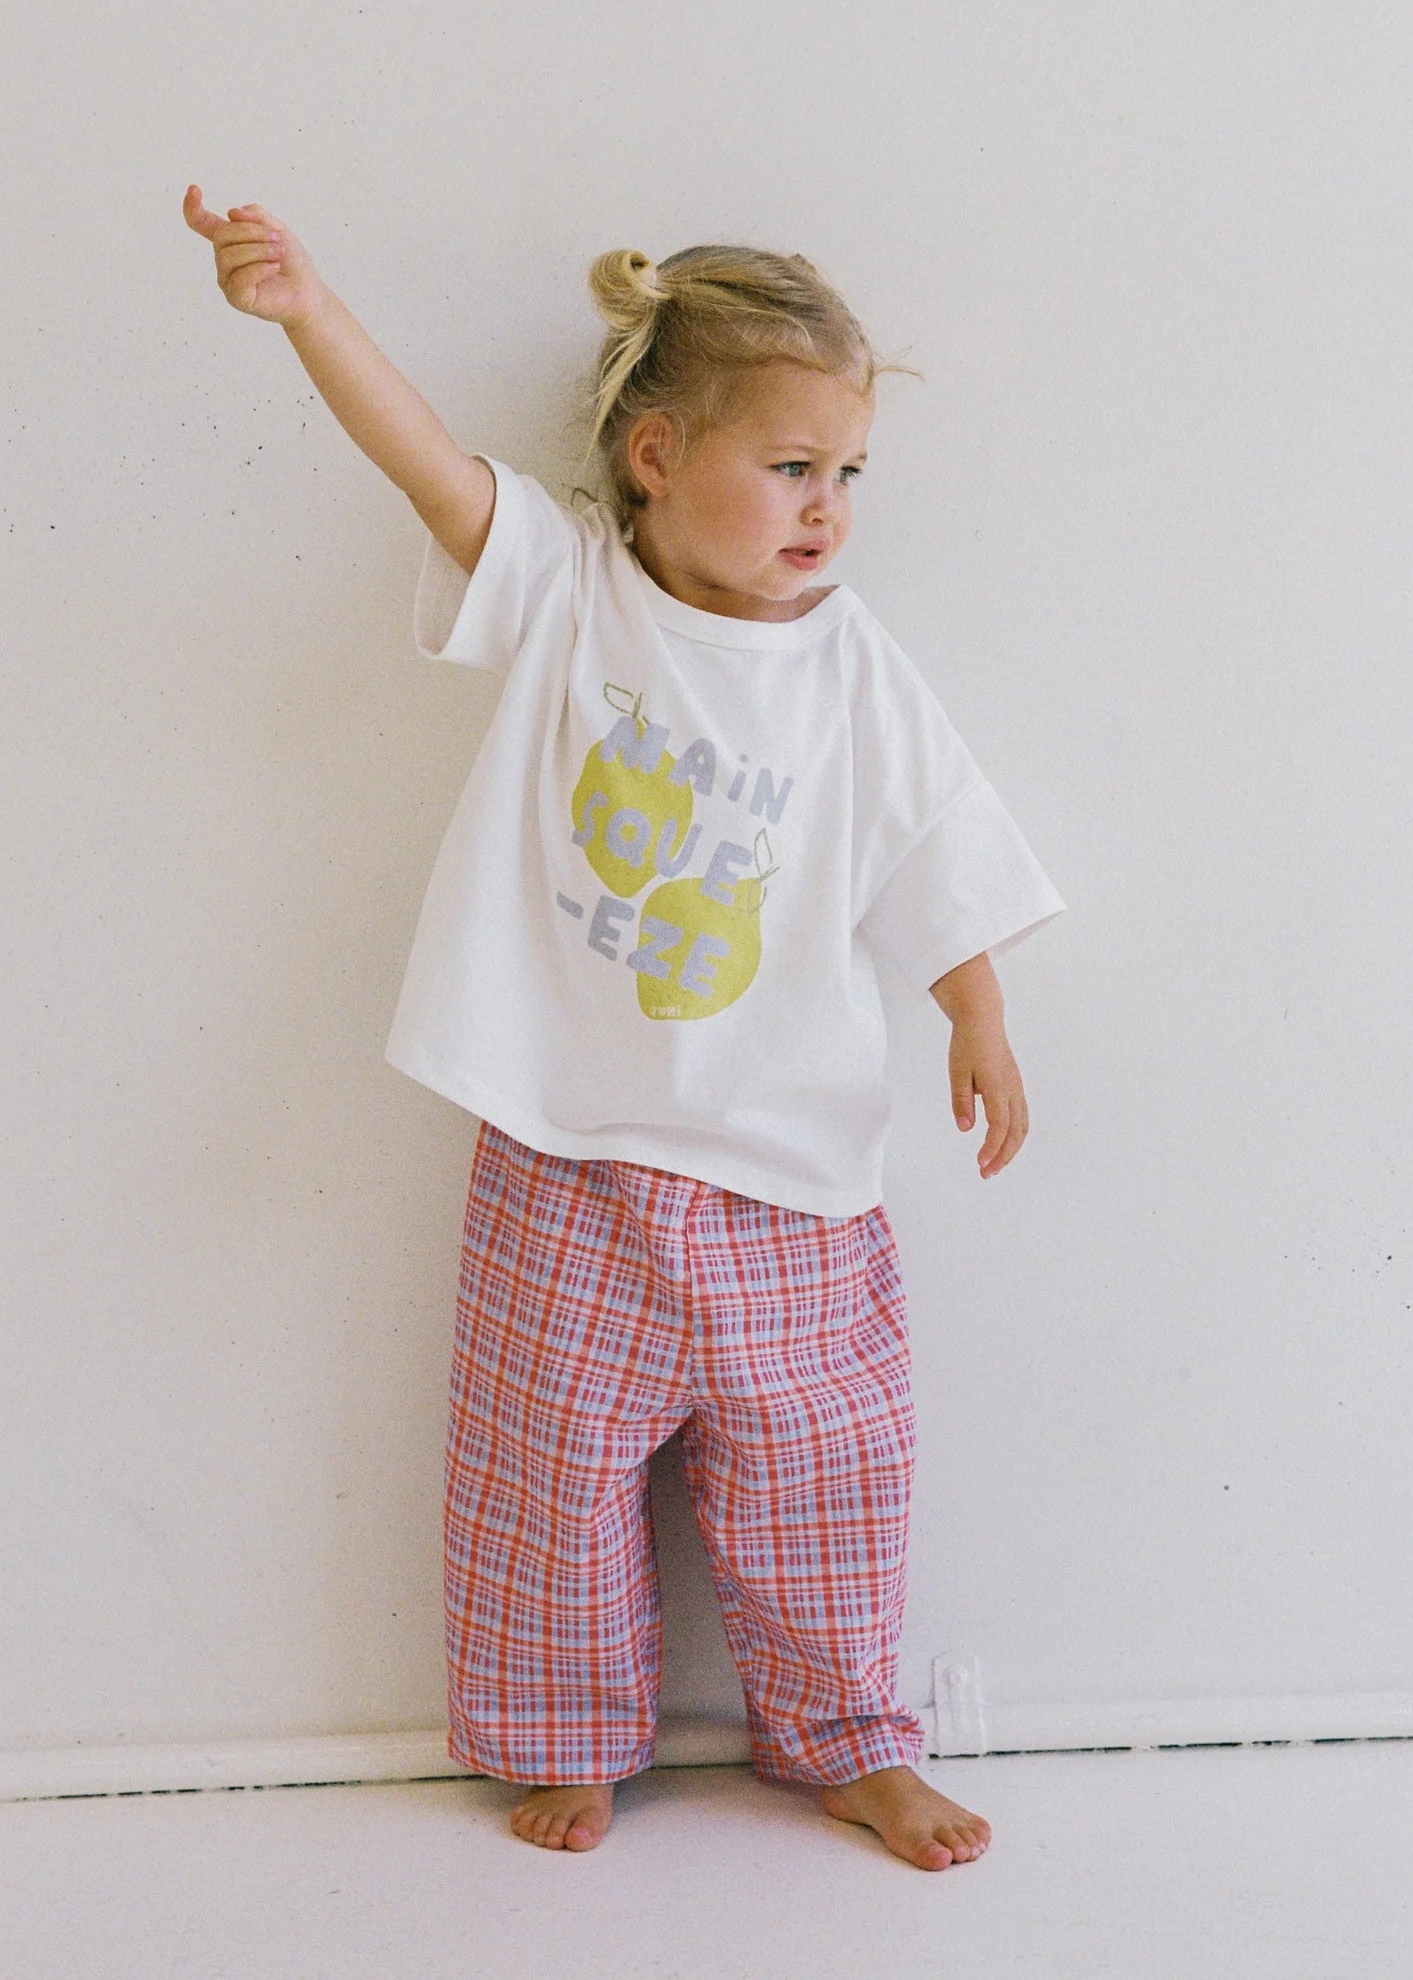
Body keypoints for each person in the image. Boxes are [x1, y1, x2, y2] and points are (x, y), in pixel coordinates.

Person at [182, 185, 1066, 1871]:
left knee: (823, 1472)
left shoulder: (853, 668)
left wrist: (980, 1012)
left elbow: (937, 838)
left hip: (784, 1170)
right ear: (656, 456)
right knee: (546, 1473)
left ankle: (846, 1739)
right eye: (791, 467)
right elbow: (429, 465)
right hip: (565, 1145)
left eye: (848, 473)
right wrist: (307, 310)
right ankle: (566, 1736)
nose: (827, 510)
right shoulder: (574, 595)